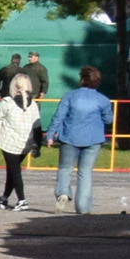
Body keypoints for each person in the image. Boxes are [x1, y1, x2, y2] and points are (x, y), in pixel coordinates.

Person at [53, 66, 110, 213]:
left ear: (82, 80)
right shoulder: (102, 100)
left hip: (69, 136)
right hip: (93, 139)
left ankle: (63, 193)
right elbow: (109, 120)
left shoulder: (69, 96)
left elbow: (59, 116)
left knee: (65, 168)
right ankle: (83, 208)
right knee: (85, 172)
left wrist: (50, 134)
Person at [0, 67, 41, 210]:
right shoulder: (34, 104)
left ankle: (22, 200)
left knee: (14, 171)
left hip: (10, 142)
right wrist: (38, 146)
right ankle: (4, 198)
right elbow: (37, 127)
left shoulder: (7, 102)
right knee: (12, 170)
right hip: (26, 144)